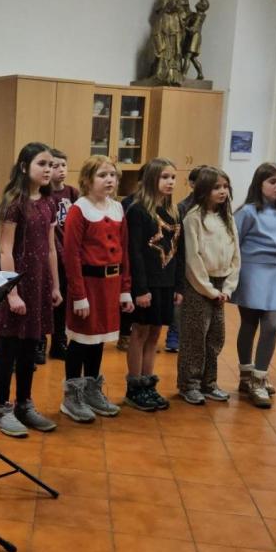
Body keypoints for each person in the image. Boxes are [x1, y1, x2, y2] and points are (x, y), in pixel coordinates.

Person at [0, 142, 63, 437]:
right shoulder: (14, 202)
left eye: (51, 165)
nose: (48, 170)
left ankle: (24, 403)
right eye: (41, 164)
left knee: (30, 348)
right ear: (24, 167)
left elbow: (51, 248)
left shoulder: (49, 202)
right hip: (18, 285)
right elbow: (5, 250)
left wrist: (55, 285)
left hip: (39, 285)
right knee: (8, 349)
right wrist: (11, 293)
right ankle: (1, 408)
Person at [59, 156, 132, 422]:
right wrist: (79, 295)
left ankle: (91, 391)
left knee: (98, 340)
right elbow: (71, 256)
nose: (109, 179)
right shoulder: (79, 210)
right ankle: (71, 397)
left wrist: (125, 289)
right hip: (87, 286)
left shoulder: (118, 208)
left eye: (112, 175)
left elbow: (124, 252)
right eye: (102, 175)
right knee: (81, 340)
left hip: (110, 286)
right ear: (88, 180)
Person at [124, 158, 184, 411]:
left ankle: (148, 384)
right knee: (139, 332)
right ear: (151, 180)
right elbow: (135, 252)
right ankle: (134, 386)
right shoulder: (138, 211)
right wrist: (140, 289)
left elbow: (179, 252)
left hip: (166, 283)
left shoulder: (174, 212)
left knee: (155, 334)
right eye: (164, 177)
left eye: (173, 177)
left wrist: (178, 286)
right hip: (146, 284)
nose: (170, 182)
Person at [177, 166, 239, 406]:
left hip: (222, 286)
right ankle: (189, 384)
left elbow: (236, 256)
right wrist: (209, 290)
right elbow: (192, 259)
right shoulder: (193, 218)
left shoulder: (228, 218)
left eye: (225, 187)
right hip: (199, 285)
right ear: (203, 190)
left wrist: (228, 288)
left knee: (216, 337)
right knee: (195, 336)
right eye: (216, 187)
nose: (222, 191)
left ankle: (209, 382)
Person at [232, 162, 276, 409]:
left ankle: (260, 376)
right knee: (249, 324)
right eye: (272, 181)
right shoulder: (247, 212)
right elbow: (234, 243)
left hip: (274, 272)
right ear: (260, 184)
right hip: (251, 271)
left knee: (272, 326)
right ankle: (247, 376)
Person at [164, 165, 202, 353]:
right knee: (179, 299)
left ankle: (192, 336)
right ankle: (174, 332)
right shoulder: (182, 207)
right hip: (185, 259)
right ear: (192, 184)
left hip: (205, 262)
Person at [45, 148, 78, 363]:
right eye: (55, 166)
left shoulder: (72, 193)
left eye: (63, 165)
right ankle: (40, 342)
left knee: (63, 301)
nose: (61, 170)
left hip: (68, 256)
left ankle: (59, 342)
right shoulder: (45, 194)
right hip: (50, 255)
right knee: (46, 300)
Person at [182, 0, 209, 80]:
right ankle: (200, 74)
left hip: (194, 37)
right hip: (194, 37)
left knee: (187, 56)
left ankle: (183, 74)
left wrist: (184, 27)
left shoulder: (198, 16)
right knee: (192, 58)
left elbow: (193, 29)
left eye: (200, 2)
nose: (198, 2)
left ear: (202, 7)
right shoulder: (196, 15)